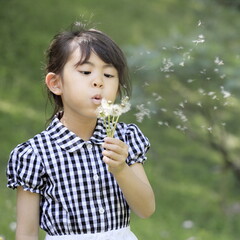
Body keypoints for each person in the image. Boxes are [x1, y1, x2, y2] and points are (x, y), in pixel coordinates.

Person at [6, 22, 155, 240]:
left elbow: (146, 209)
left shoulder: (125, 138)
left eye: (109, 75)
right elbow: (27, 234)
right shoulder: (34, 154)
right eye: (86, 71)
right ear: (56, 83)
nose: (98, 82)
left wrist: (121, 169)